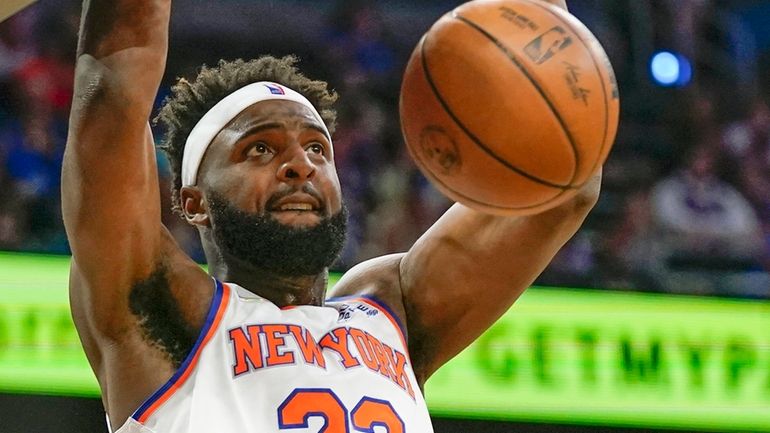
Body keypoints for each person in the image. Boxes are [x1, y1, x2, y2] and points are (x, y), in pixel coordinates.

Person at [62, 0, 599, 431]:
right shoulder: (164, 306)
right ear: (194, 201)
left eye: (318, 149)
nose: (300, 165)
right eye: (260, 150)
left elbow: (559, 185)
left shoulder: (392, 309)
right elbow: (112, 88)